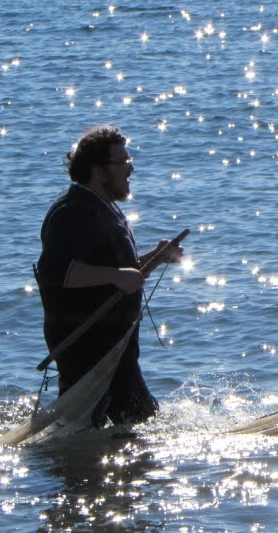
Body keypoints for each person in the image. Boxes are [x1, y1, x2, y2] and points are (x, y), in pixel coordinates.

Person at [35, 125, 183, 429]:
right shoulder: (71, 212)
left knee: (116, 430)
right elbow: (54, 272)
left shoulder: (105, 209)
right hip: (89, 349)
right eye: (123, 163)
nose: (130, 169)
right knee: (137, 426)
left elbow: (122, 275)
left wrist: (155, 258)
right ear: (97, 169)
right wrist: (116, 275)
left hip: (115, 349)